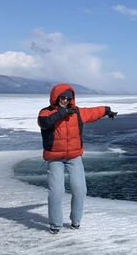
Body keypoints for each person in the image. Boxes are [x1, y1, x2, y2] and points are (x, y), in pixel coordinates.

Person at [37, 83, 116, 234]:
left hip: (74, 157)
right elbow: (44, 123)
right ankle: (55, 224)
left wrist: (107, 111)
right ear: (56, 97)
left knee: (80, 189)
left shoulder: (77, 113)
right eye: (63, 97)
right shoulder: (45, 113)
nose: (66, 100)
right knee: (56, 191)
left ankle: (76, 221)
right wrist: (62, 113)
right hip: (54, 158)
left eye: (69, 98)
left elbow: (93, 112)